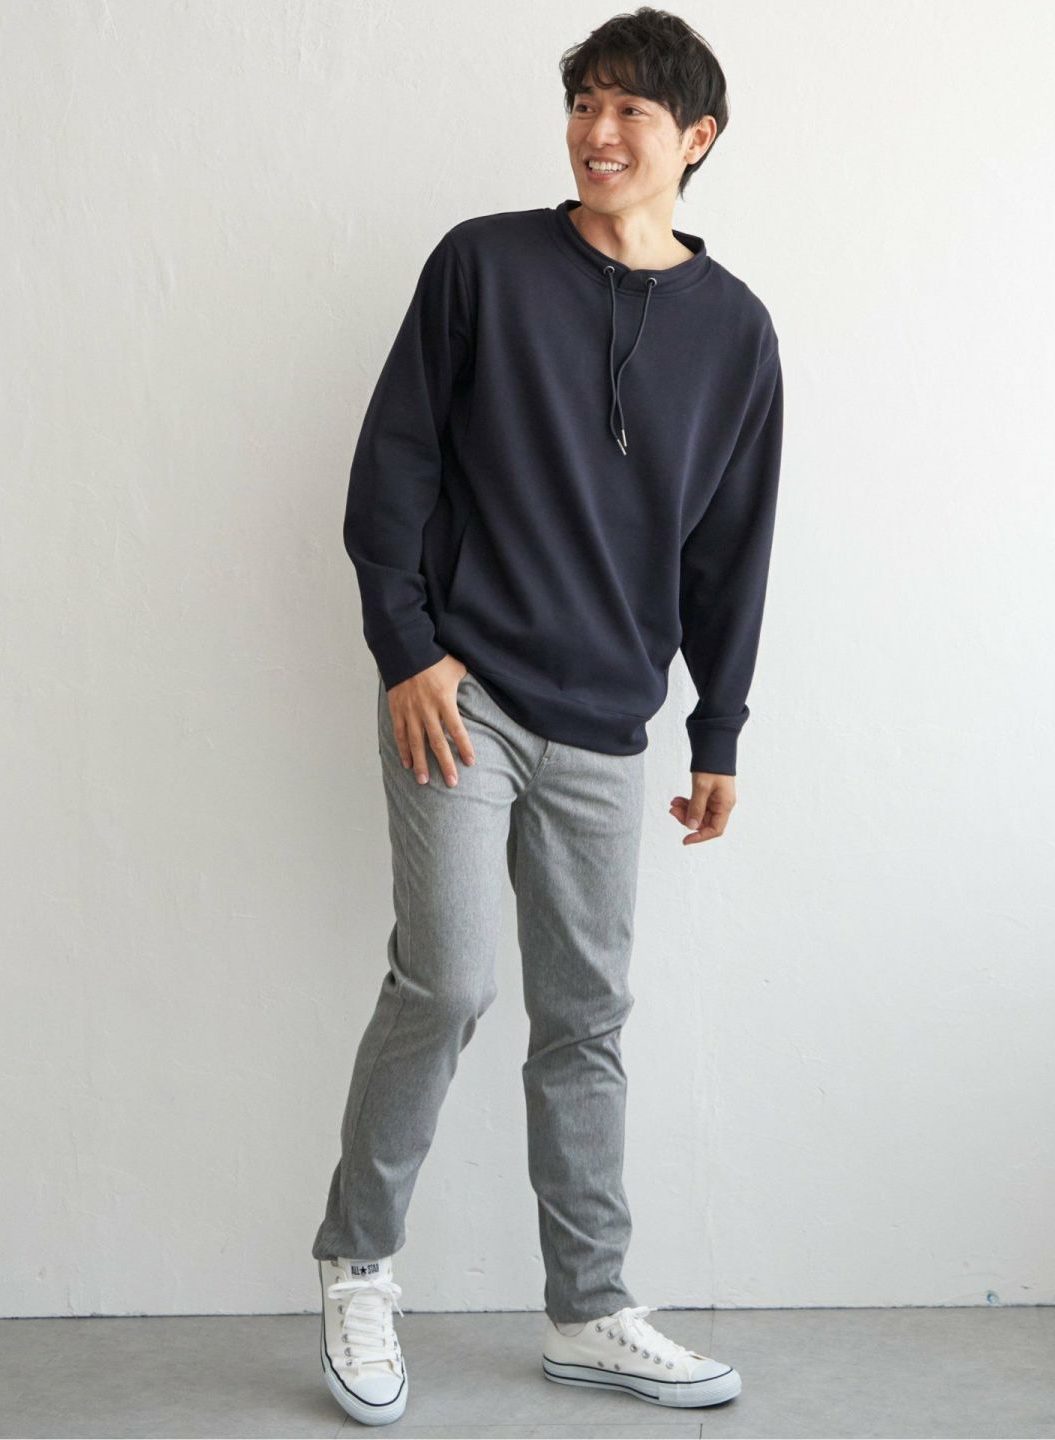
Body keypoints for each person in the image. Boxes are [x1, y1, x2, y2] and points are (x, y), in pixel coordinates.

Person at [311, 6, 784, 1425]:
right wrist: (407, 649)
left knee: (585, 1019)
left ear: (696, 140)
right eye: (585, 101)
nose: (597, 130)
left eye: (631, 109)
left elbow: (732, 550)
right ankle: (357, 1268)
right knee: (448, 983)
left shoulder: (737, 334)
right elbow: (391, 466)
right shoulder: (484, 265)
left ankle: (588, 1308)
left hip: (607, 721)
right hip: (462, 698)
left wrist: (717, 731)